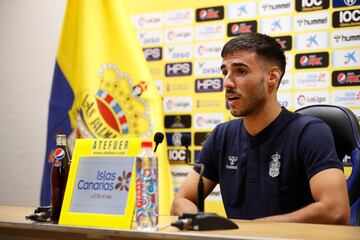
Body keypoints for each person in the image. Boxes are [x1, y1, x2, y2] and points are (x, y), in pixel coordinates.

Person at [170, 32, 350, 225]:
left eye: (240, 71)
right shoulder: (222, 135)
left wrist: (258, 229)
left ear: (272, 77)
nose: (227, 83)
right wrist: (202, 221)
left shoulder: (310, 132)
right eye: (225, 72)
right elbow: (181, 201)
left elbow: (335, 210)